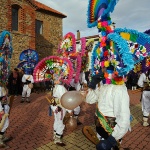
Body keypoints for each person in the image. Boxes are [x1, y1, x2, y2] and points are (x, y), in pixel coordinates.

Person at [82, 67, 131, 150]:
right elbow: (90, 100)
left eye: (105, 70)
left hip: (111, 132)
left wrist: (112, 139)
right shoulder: (104, 86)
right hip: (100, 128)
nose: (103, 72)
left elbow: (124, 117)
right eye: (103, 70)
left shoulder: (119, 89)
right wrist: (92, 85)